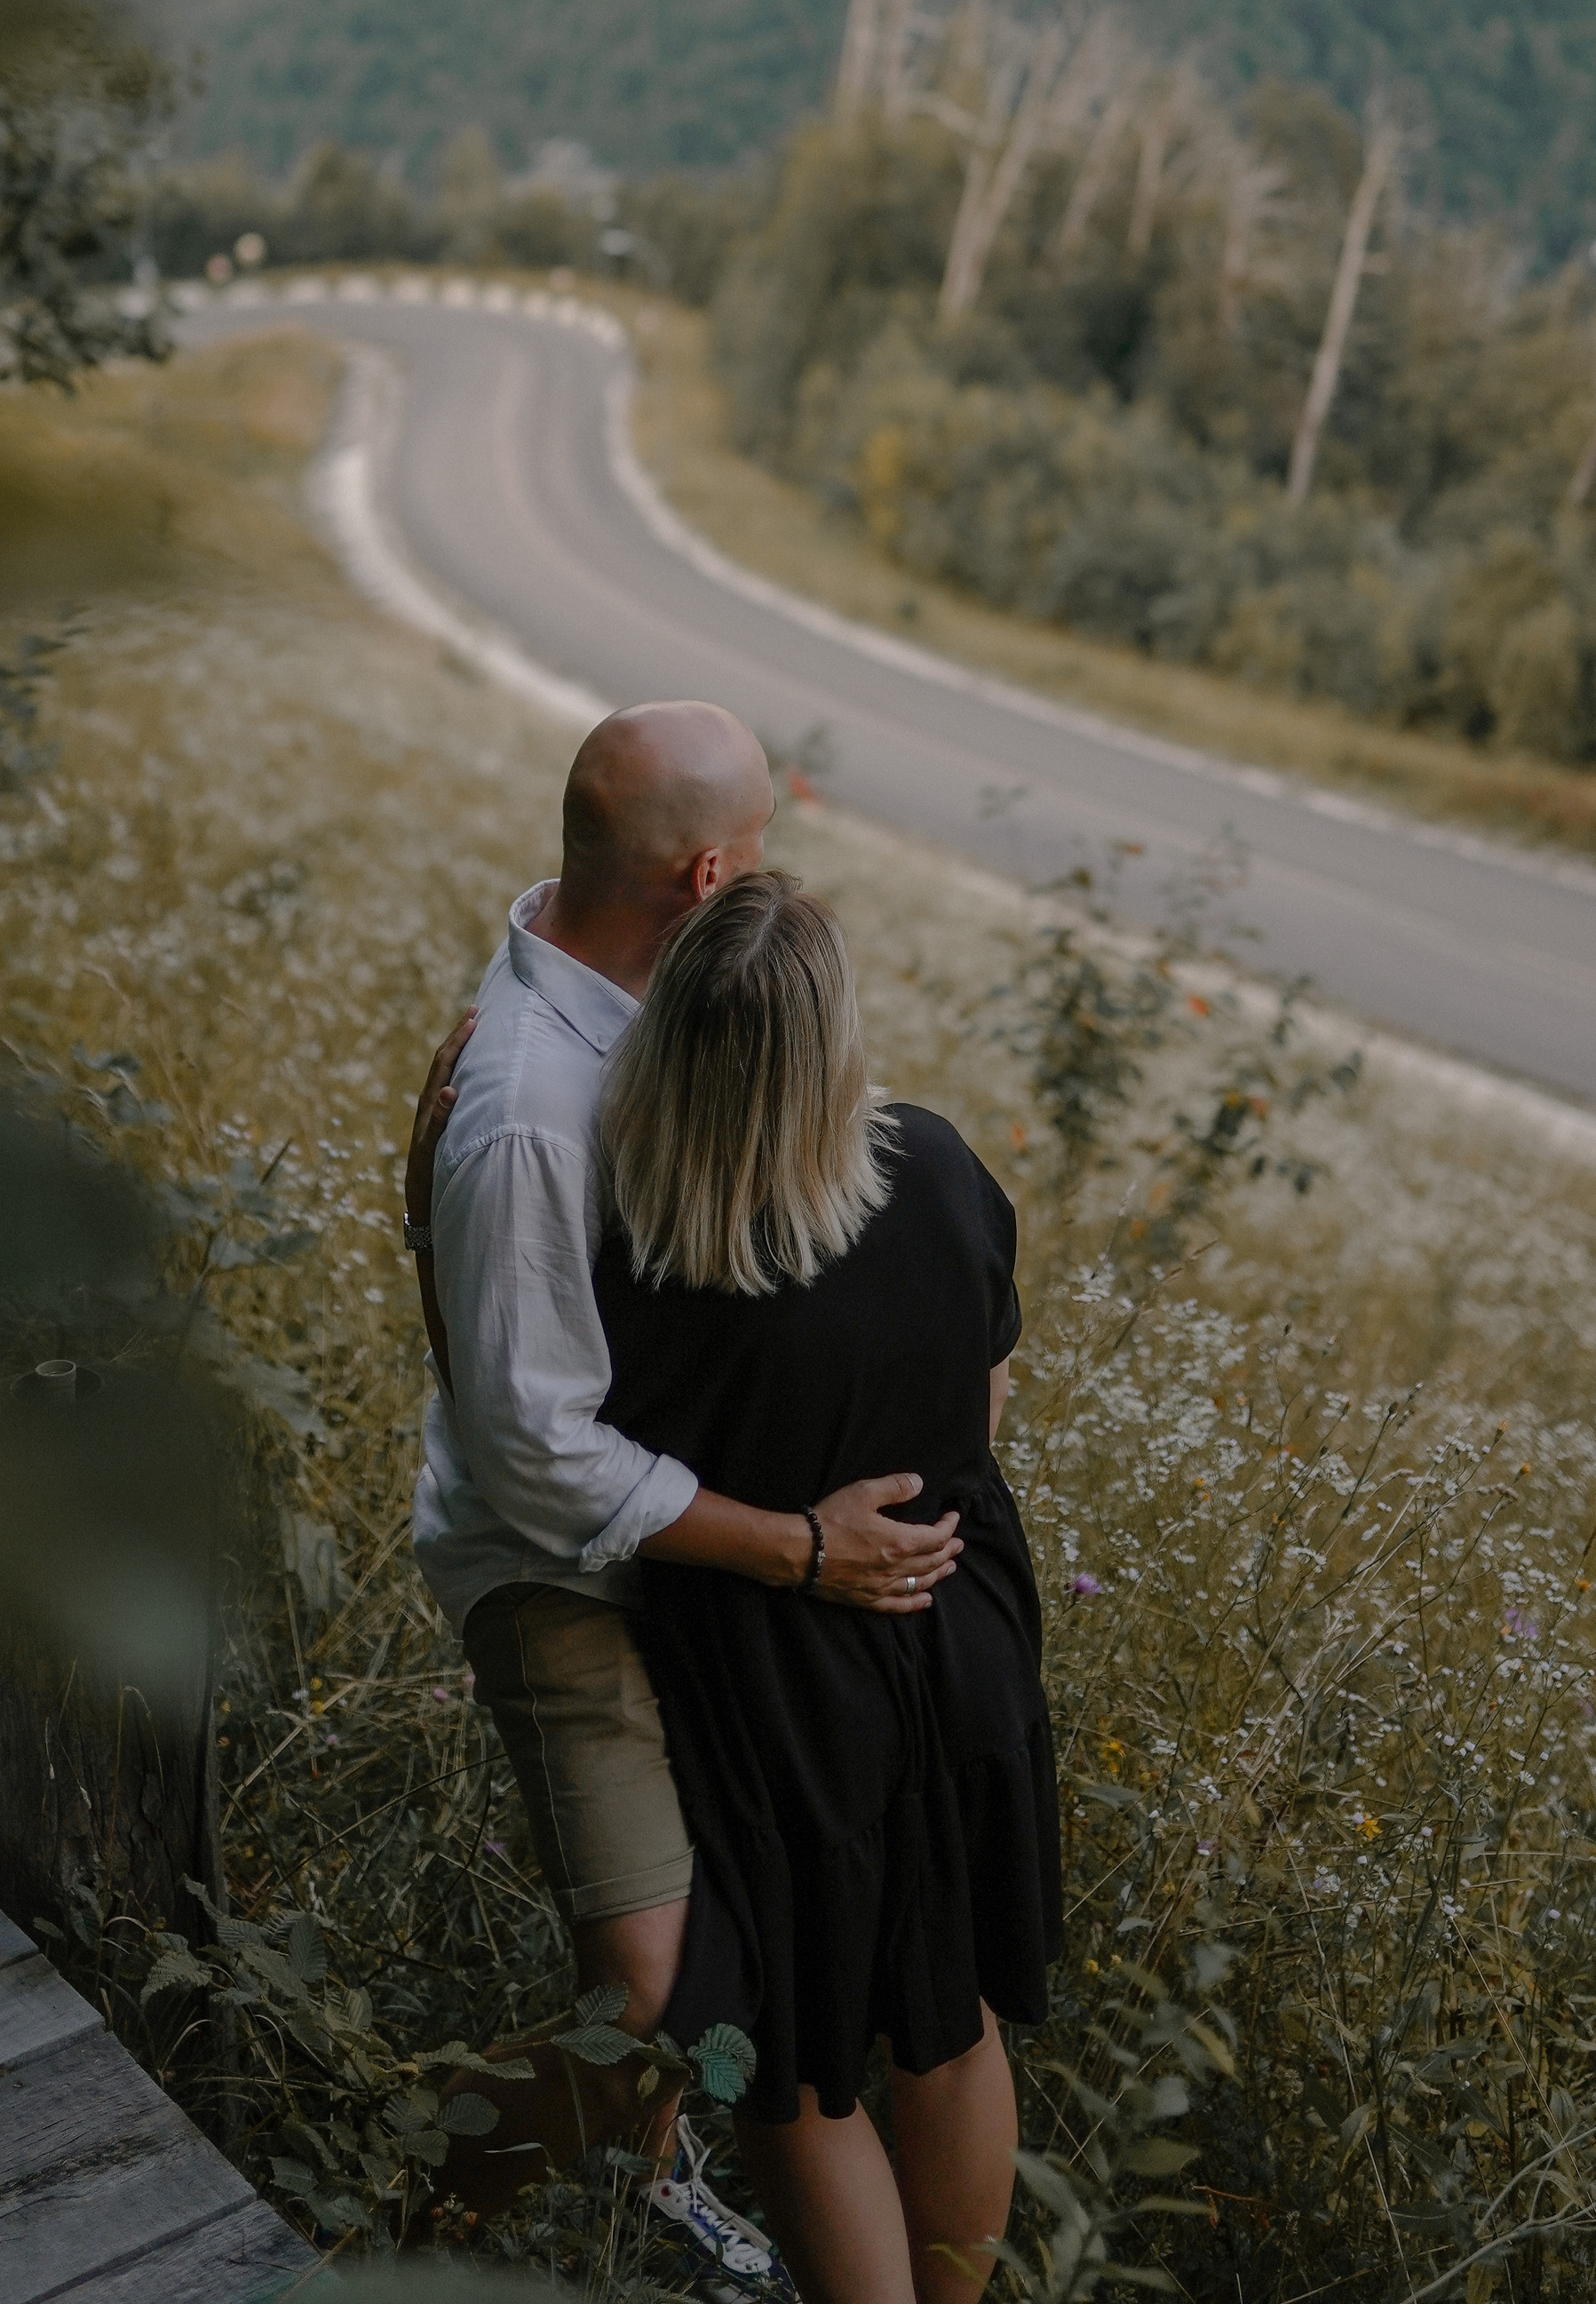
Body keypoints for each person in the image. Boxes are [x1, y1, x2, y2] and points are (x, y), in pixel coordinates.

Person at [402, 702, 965, 2264]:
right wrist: (795, 1548)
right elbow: (532, 1448)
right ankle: (399, 2243)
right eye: (763, 854)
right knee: (654, 1997)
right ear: (706, 867)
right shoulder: (528, 1113)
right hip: (565, 1569)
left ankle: (649, 2186)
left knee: (750, 1930)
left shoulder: (619, 975)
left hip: (690, 1546)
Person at [592, 868, 1062, 2304]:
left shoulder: (641, 1245)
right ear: (834, 1037)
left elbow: (601, 1490)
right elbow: (981, 1406)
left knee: (795, 2073)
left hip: (782, 1683)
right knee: (949, 2019)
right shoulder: (930, 1165)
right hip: (958, 1633)